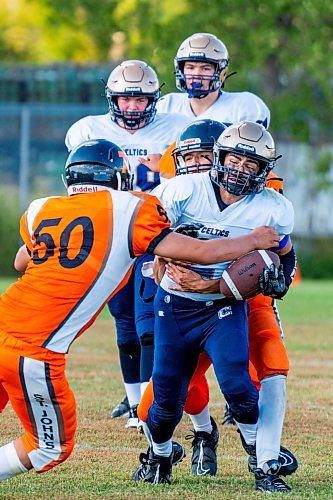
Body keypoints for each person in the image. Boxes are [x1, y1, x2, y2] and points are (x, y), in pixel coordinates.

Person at [0, 138, 279, 482]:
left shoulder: (41, 208)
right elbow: (201, 252)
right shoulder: (129, 210)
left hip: (5, 321)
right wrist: (253, 241)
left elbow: (20, 261)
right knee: (49, 448)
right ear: (119, 178)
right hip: (32, 349)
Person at [134, 120, 298, 488]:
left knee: (238, 385)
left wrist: (279, 278)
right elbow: (146, 234)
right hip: (174, 304)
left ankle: (262, 463)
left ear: (263, 171)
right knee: (165, 400)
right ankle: (159, 456)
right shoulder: (181, 190)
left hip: (225, 306)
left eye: (251, 164)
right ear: (220, 157)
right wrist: (158, 256)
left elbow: (286, 255)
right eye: (235, 159)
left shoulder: (272, 207)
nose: (240, 169)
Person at [65, 60, 190, 427]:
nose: (132, 107)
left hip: (154, 233)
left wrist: (165, 169)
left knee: (149, 319)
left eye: (140, 100)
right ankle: (135, 403)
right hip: (114, 233)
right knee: (123, 319)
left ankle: (151, 404)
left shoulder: (176, 130)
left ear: (154, 99)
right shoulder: (88, 130)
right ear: (112, 99)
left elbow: (194, 178)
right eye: (125, 99)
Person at [156, 33, 270, 127]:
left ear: (221, 72)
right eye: (190, 67)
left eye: (205, 68)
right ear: (181, 70)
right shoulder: (166, 105)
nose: (196, 74)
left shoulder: (243, 107)